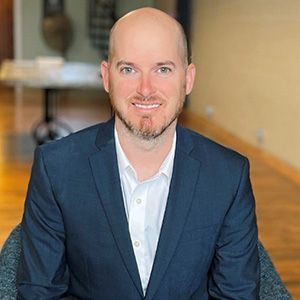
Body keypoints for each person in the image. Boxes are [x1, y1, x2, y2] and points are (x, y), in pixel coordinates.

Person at [17, 7, 260, 299]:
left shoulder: (228, 176)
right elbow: (39, 293)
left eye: (163, 69)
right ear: (107, 77)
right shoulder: (55, 169)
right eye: (129, 69)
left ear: (188, 79)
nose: (146, 89)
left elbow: (237, 295)